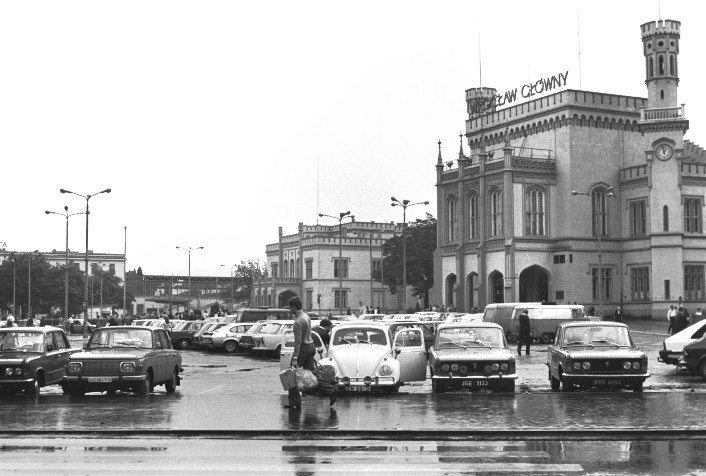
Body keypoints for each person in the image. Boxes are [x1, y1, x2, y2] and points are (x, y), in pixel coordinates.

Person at [285, 296, 327, 409]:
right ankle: (330, 389)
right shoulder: (306, 316)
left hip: (303, 348)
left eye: (290, 307)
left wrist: (294, 358)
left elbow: (298, 342)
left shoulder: (298, 321)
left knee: (291, 375)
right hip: (311, 347)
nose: (289, 309)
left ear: (294, 307)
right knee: (311, 375)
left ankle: (294, 401)